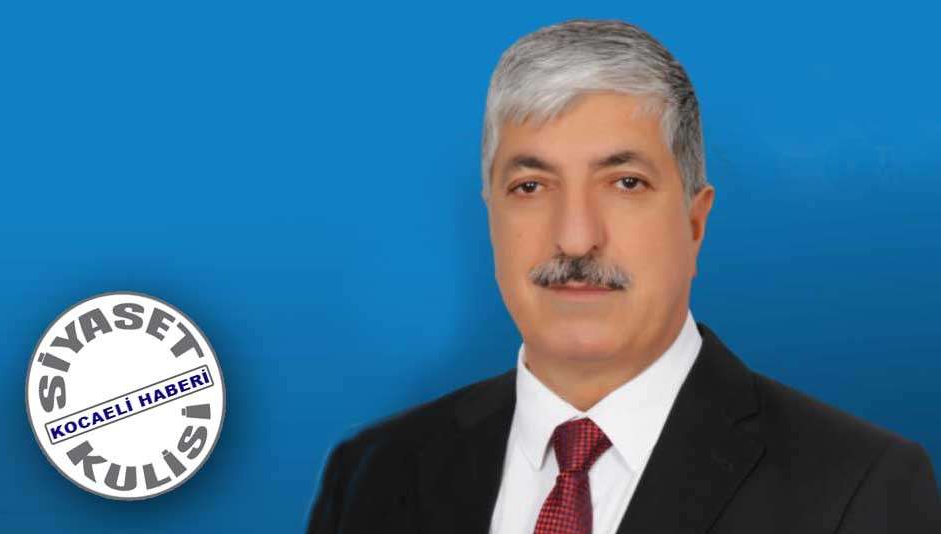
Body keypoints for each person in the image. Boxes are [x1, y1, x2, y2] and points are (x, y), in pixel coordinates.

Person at [306, 19, 940, 533]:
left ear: (695, 223)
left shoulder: (859, 488)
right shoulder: (369, 477)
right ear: (491, 217)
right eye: (531, 186)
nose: (576, 237)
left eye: (625, 183)